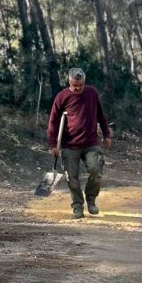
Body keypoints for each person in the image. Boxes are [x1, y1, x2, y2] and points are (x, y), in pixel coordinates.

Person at [48, 68, 113, 219]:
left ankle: (91, 200)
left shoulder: (92, 93)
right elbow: (53, 122)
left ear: (84, 82)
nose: (77, 88)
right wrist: (53, 145)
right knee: (72, 178)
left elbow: (101, 116)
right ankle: (77, 206)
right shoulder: (62, 97)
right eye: (74, 85)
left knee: (96, 171)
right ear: (69, 82)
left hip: (91, 142)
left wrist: (107, 135)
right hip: (69, 145)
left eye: (80, 85)